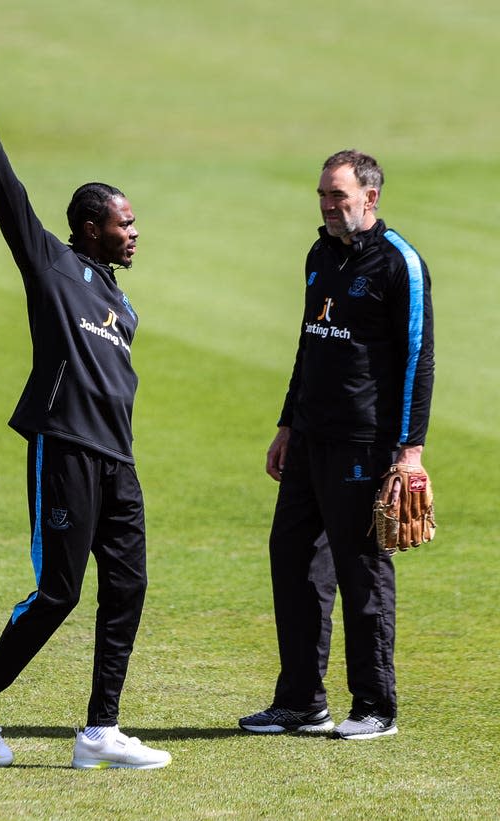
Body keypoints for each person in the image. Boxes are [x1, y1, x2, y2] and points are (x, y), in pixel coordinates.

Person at [0, 49, 171, 770]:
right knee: (60, 591)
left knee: (127, 583)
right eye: (123, 223)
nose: (134, 231)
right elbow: (5, 192)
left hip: (117, 459)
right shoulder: (51, 265)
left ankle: (101, 731)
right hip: (64, 446)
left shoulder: (118, 298)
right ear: (90, 226)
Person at [239, 150, 434, 740]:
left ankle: (376, 706)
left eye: (338, 196)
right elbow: (310, 345)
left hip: (364, 443)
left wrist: (410, 452)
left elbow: (418, 362)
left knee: (362, 572)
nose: (327, 206)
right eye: (322, 195)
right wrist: (286, 424)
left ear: (369, 198)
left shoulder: (400, 263)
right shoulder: (319, 254)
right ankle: (301, 701)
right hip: (309, 439)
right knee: (293, 562)